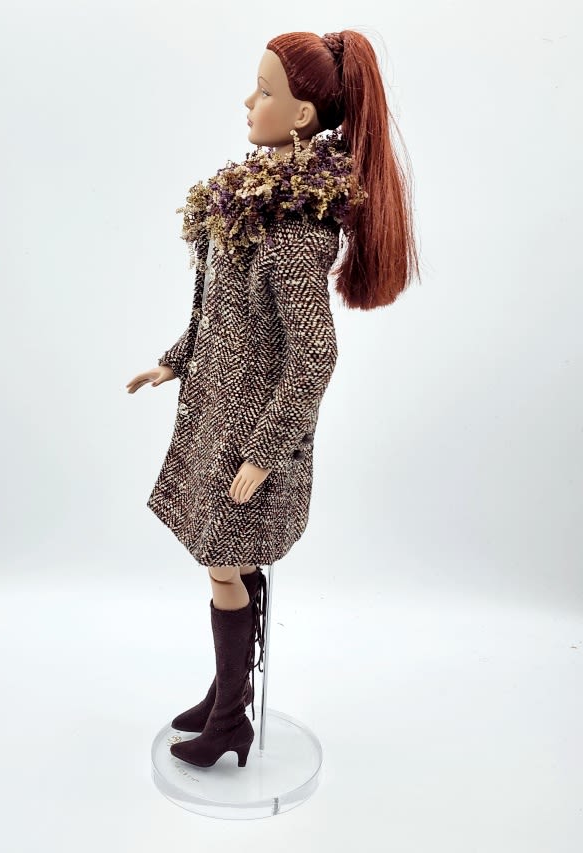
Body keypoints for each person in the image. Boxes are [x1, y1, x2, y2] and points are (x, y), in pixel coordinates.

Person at [126, 29, 420, 769]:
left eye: (263, 91)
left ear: (301, 117)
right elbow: (219, 308)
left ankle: (231, 719)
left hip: (250, 432)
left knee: (224, 564)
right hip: (217, 411)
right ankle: (227, 696)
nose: (247, 102)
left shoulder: (293, 228)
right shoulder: (250, 202)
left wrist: (265, 451)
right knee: (226, 562)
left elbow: (315, 354)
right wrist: (173, 361)